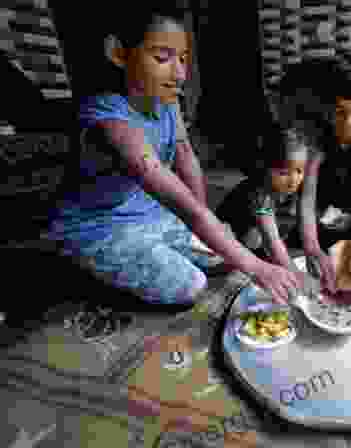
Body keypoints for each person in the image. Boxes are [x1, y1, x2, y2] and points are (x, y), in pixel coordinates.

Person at [41, 5, 300, 305]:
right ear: (118, 53)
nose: (179, 74)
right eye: (162, 58)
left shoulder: (166, 103)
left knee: (223, 252)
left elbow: (184, 152)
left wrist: (207, 221)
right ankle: (76, 265)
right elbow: (189, 211)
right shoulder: (112, 126)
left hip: (147, 213)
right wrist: (256, 266)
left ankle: (156, 251)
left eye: (183, 59)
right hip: (98, 226)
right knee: (190, 286)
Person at [278, 56, 351, 294]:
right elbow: (306, 195)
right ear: (327, 107)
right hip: (320, 212)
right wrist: (312, 247)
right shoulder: (316, 138)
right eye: (340, 111)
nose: (349, 121)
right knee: (303, 257)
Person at [215, 123, 311, 273]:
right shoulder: (259, 195)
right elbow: (272, 241)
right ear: (264, 167)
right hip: (226, 243)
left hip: (256, 237)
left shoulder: (294, 189)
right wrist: (295, 274)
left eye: (299, 171)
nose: (293, 180)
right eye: (284, 173)